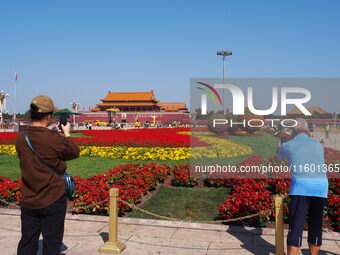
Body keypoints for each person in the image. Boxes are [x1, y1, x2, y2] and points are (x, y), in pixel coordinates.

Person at [16, 95, 80, 255]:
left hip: (29, 198)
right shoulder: (53, 139)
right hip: (53, 198)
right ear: (49, 116)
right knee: (52, 243)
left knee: (27, 241)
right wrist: (66, 134)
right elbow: (74, 152)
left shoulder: (21, 138)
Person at [278, 118, 328, 255]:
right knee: (316, 225)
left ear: (293, 131)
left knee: (296, 227)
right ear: (307, 131)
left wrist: (282, 142)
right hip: (321, 187)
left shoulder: (288, 144)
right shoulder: (318, 144)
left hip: (301, 187)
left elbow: (279, 157)